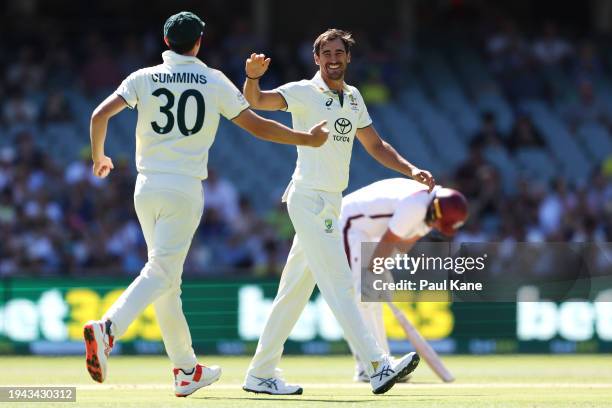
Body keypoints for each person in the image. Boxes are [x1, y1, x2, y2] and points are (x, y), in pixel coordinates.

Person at [82, 11, 328, 398]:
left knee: (167, 281)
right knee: (162, 271)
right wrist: (305, 139)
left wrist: (100, 157)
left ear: (166, 43)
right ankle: (108, 328)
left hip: (145, 188)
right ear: (198, 42)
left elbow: (100, 115)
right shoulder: (213, 80)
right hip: (184, 187)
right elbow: (258, 126)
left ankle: (185, 369)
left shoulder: (142, 78)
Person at [241, 28, 435, 395]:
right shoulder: (302, 91)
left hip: (332, 201)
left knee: (293, 293)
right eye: (326, 53)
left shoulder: (354, 97)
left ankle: (260, 373)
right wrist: (252, 77)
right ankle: (376, 366)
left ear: (348, 58)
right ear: (316, 58)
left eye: (339, 53)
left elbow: (376, 146)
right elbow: (257, 101)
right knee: (341, 282)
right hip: (308, 199)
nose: (333, 59)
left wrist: (410, 169)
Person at [339, 178, 468, 382]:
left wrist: (382, 271)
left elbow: (402, 245)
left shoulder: (429, 213)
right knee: (362, 299)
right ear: (437, 209)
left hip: (371, 233)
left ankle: (379, 363)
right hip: (348, 223)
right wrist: (374, 271)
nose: (436, 226)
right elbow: (390, 239)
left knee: (372, 301)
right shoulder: (416, 206)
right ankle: (368, 366)